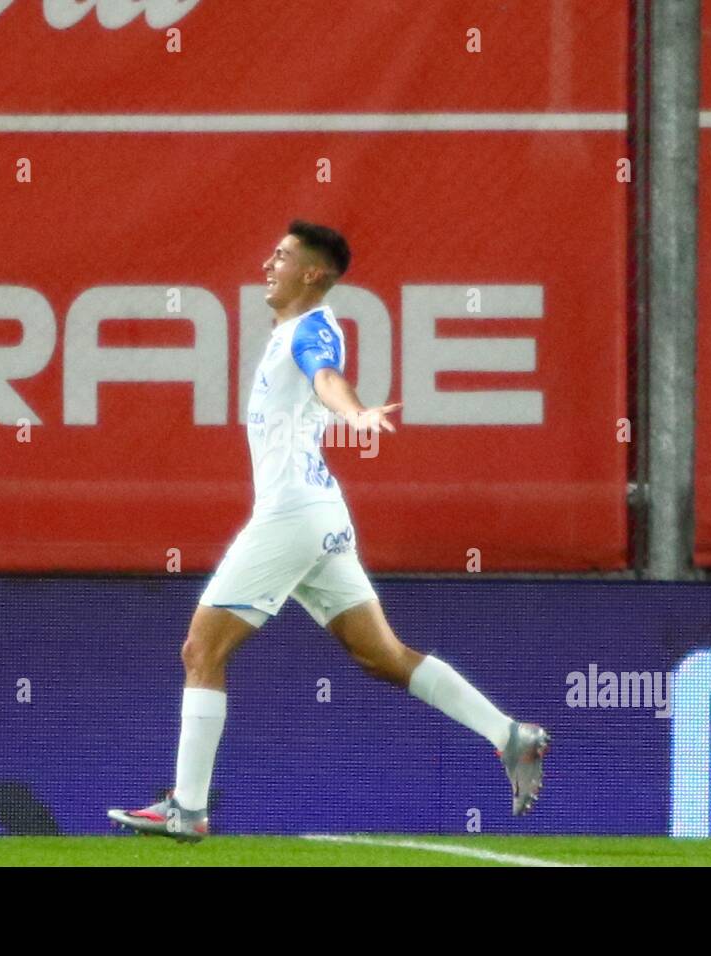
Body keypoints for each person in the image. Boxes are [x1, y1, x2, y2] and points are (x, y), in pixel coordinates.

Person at [108, 221, 549, 842]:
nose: (269, 262)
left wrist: (355, 412)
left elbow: (327, 377)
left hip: (290, 516)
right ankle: (509, 734)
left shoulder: (314, 329)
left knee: (200, 651)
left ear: (312, 273)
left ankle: (187, 807)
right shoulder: (289, 331)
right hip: (319, 515)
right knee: (383, 655)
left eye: (282, 256)